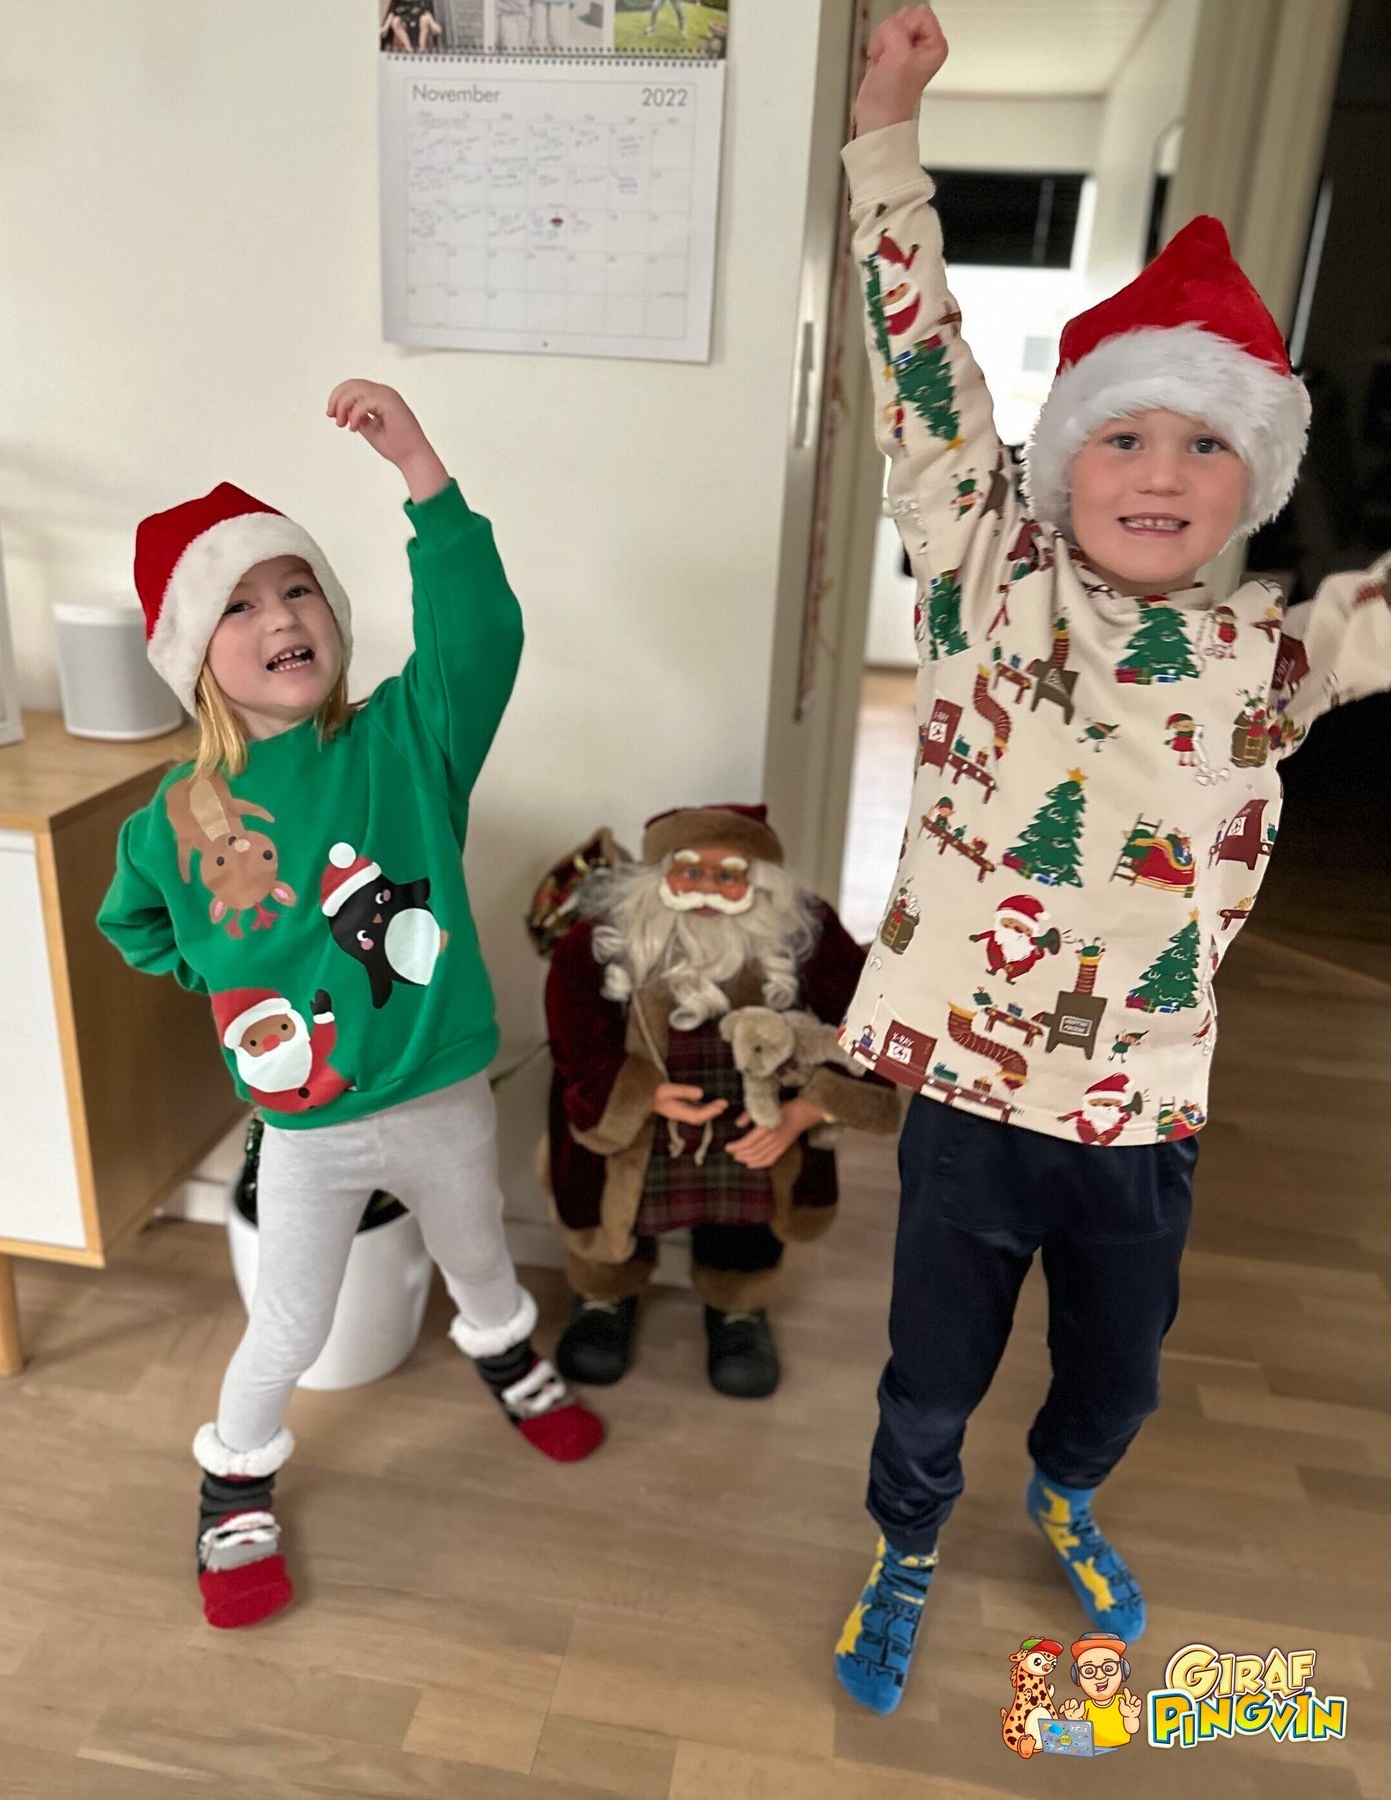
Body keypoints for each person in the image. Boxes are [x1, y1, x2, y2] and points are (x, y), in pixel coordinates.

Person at [832, 5, 1391, 1715]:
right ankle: (907, 1543)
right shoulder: (985, 572)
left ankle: (1066, 1491)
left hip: (1144, 1108)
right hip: (972, 1097)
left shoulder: (1274, 657)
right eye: (1125, 434)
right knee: (931, 1375)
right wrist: (885, 129)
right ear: (1061, 456)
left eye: (1207, 441)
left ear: (1253, 480)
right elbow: (920, 359)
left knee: (1118, 1377)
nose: (1161, 471)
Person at [99, 380, 602, 1632]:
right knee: (289, 1326)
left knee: (478, 1255)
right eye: (239, 603)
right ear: (190, 655)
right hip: (308, 1129)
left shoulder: (406, 739)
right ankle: (233, 1478)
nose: (282, 615)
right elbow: (135, 924)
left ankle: (505, 1352)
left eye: (299, 588)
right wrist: (218, 977)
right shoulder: (170, 821)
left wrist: (423, 472)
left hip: (441, 1093)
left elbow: (481, 636)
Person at [543, 806, 899, 1396]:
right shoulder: (599, 938)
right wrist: (642, 1095)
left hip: (758, 1125)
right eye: (689, 871)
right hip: (641, 1125)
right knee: (614, 1206)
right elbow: (573, 1036)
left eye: (728, 875)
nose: (706, 889)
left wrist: (807, 1111)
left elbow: (869, 1025)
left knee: (748, 1220)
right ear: (659, 873)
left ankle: (738, 1307)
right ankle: (605, 1298)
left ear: (760, 879)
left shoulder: (807, 932)